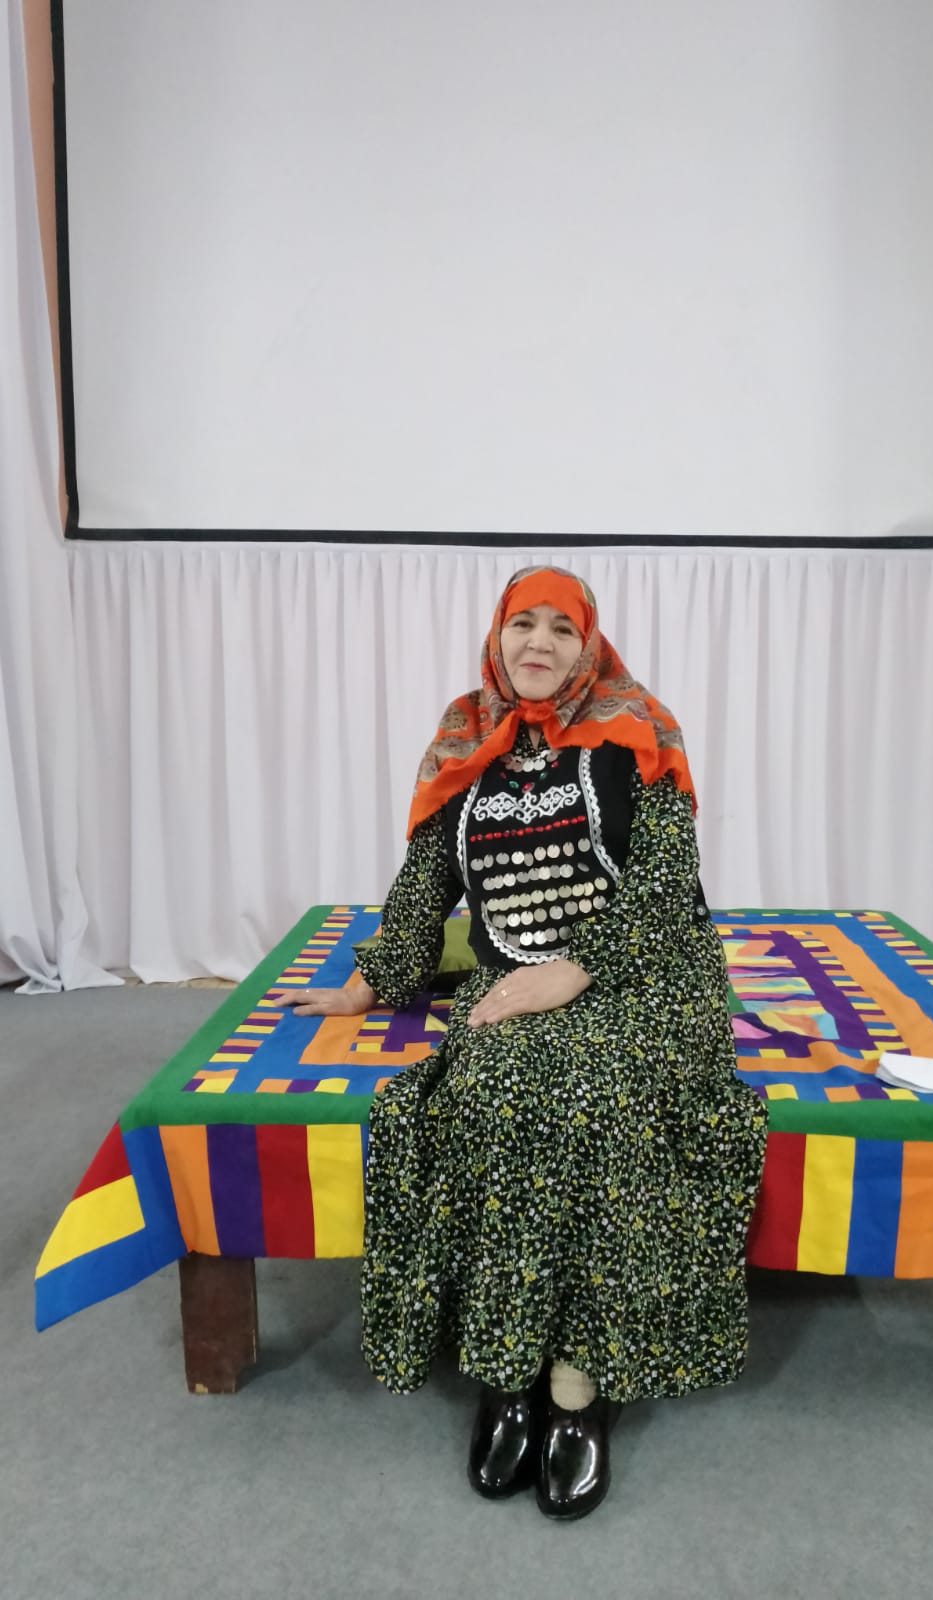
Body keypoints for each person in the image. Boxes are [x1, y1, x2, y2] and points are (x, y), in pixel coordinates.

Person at [276, 566, 767, 1520]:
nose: (539, 643)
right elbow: (426, 883)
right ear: (496, 637)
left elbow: (666, 887)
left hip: (644, 975)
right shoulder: (466, 738)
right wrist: (370, 981)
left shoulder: (639, 729)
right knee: (494, 1092)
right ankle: (509, 1372)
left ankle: (579, 1388)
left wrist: (575, 969)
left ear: (589, 645)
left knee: (599, 1097)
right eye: (522, 625)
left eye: (561, 629)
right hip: (514, 982)